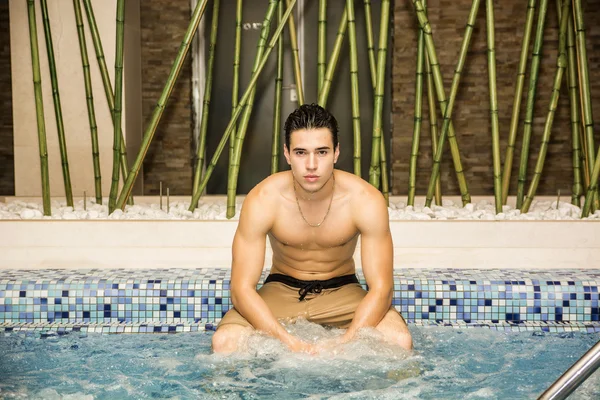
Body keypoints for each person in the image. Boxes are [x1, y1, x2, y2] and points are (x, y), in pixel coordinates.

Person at [211, 104, 413, 353]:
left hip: (343, 292)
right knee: (224, 343)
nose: (311, 164)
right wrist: (288, 341)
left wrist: (345, 341)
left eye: (322, 152)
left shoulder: (364, 200)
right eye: (300, 153)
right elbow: (241, 289)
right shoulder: (264, 199)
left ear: (336, 153)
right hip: (280, 290)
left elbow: (382, 288)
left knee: (399, 341)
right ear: (286, 154)